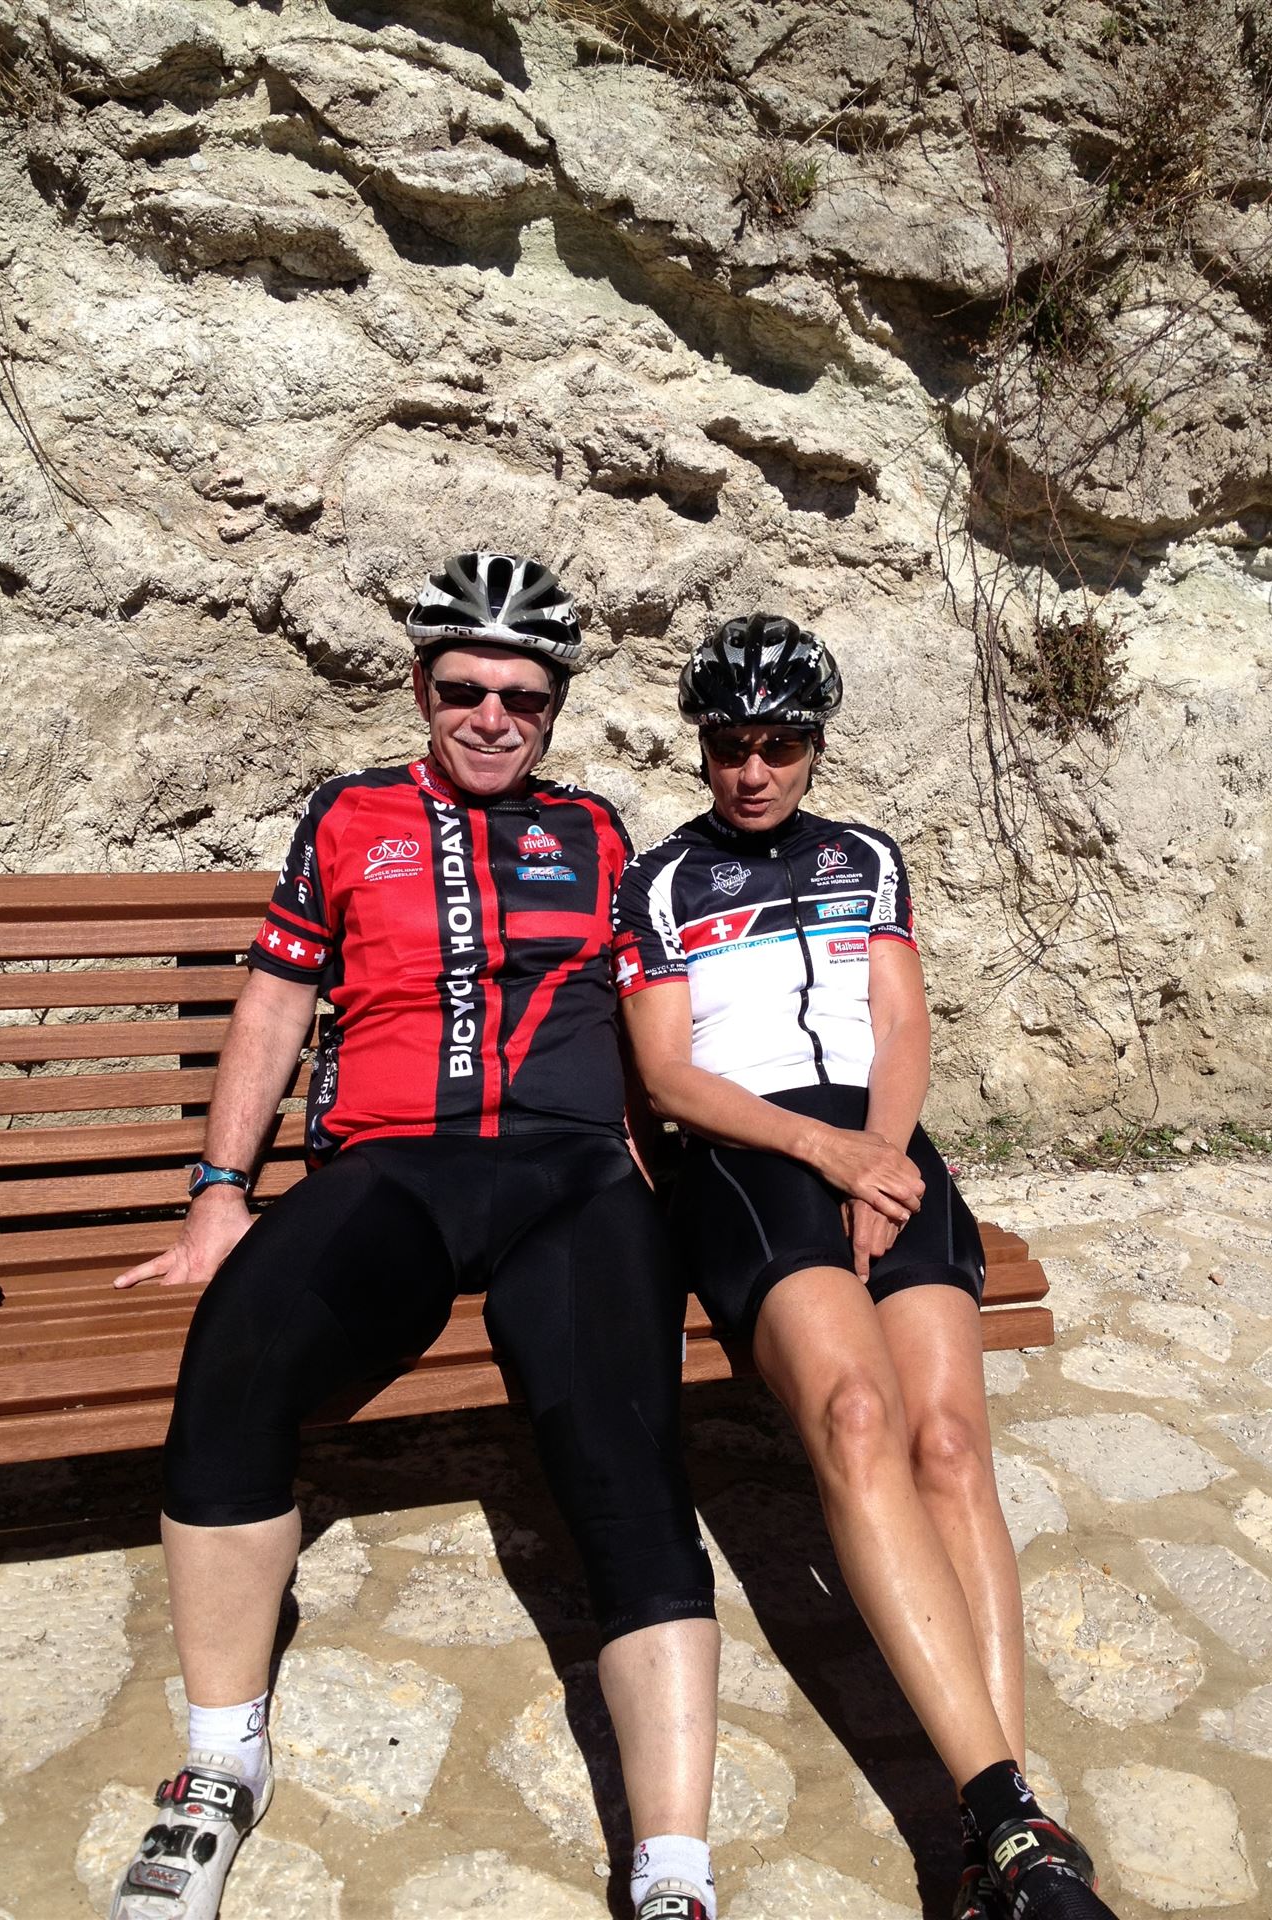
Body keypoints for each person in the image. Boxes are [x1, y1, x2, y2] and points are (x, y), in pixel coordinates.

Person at [109, 554, 720, 1920]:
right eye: (463, 690)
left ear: (554, 708)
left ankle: (675, 1871)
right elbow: (278, 1003)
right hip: (394, 1168)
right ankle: (219, 1767)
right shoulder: (349, 814)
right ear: (422, 689)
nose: (491, 717)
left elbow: (652, 1022)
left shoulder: (598, 833)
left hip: (570, 1178)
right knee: (236, 1360)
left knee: (627, 1453)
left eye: (523, 696)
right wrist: (220, 1188)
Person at [612, 614, 1118, 1920]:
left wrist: (883, 1157)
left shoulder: (868, 859)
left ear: (815, 749)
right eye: (730, 746)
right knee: (854, 1413)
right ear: (703, 748)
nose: (753, 771)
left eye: (780, 747)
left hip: (882, 1143)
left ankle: (1002, 1838)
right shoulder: (660, 882)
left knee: (949, 1442)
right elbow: (669, 1076)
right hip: (752, 1149)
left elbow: (900, 1021)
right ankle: (1009, 1817)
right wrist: (826, 1154)